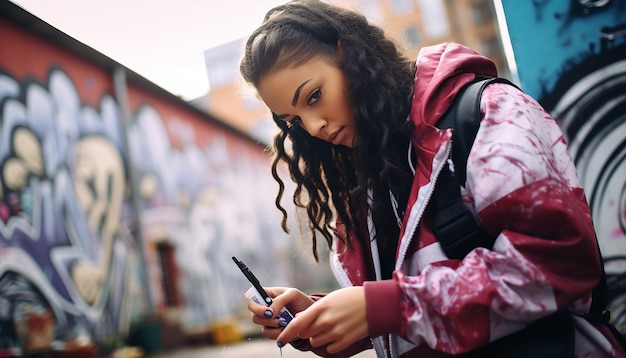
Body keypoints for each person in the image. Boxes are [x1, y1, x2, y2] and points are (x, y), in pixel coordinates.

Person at [238, 0, 626, 357]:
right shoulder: (370, 178)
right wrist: (331, 319)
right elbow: (411, 310)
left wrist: (384, 306)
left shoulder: (487, 112)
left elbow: (558, 264)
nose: (314, 126)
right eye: (294, 122)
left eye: (314, 96)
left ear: (346, 54)